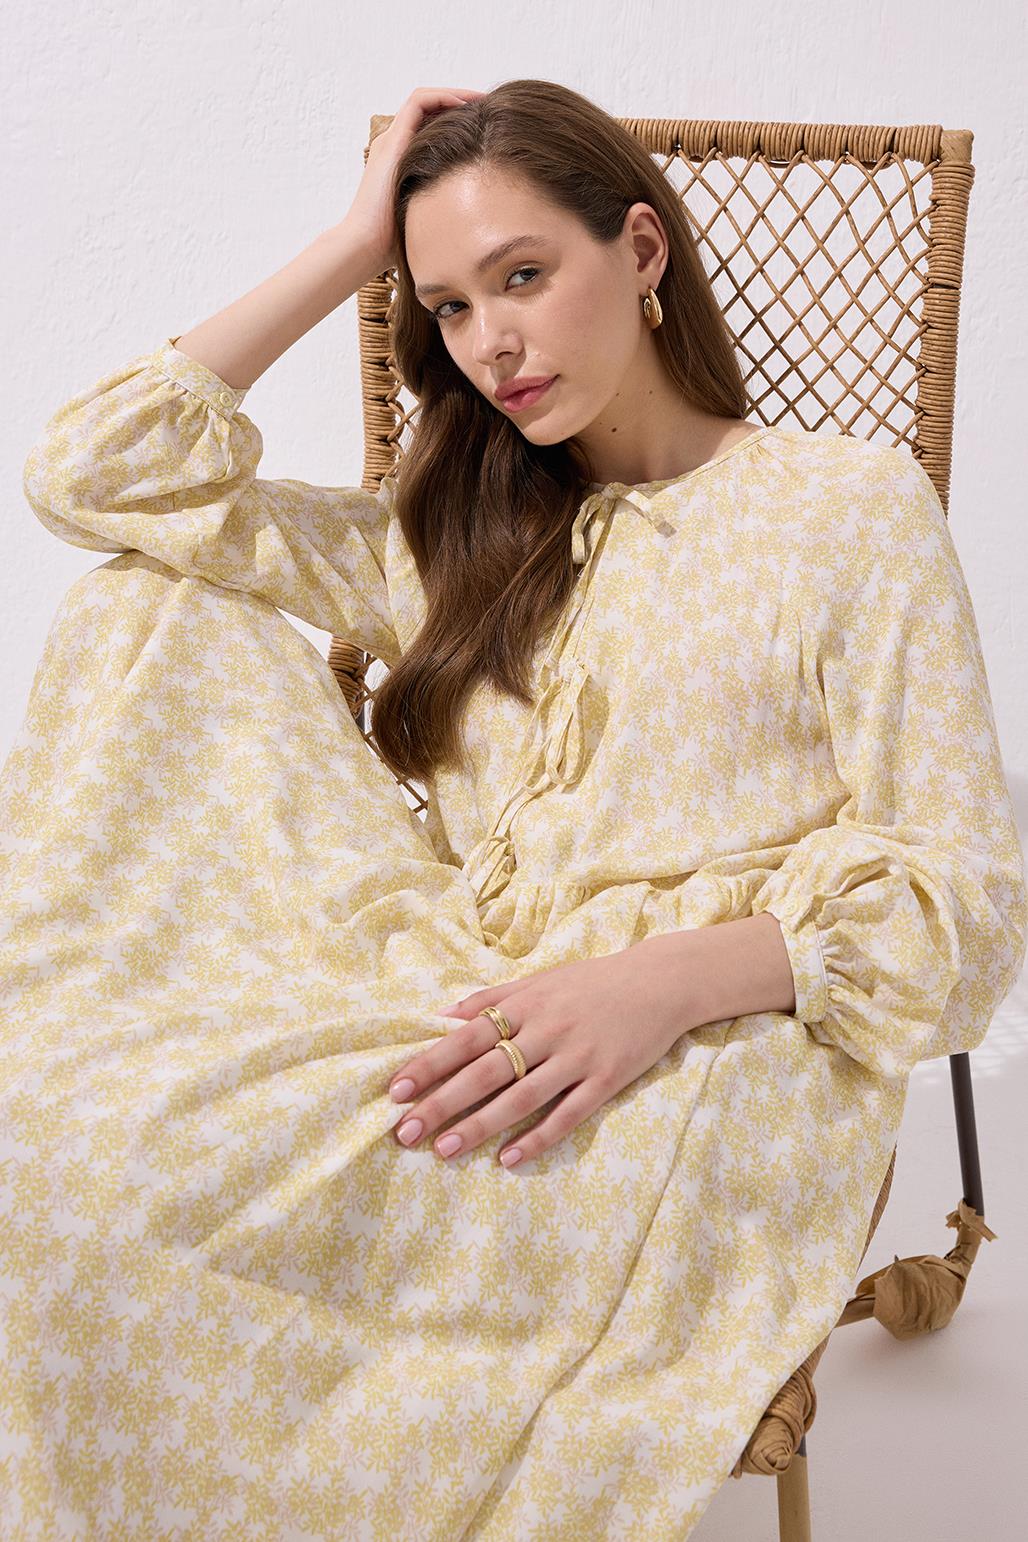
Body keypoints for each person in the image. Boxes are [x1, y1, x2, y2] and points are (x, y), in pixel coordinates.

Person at [3, 76, 1025, 1540]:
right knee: (141, 606)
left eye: (525, 276)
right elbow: (98, 477)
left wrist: (661, 981)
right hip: (450, 982)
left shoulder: (846, 511)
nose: (490, 342)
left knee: (155, 1181)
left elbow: (968, 909)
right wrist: (354, 246)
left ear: (643, 251)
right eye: (450, 307)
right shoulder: (454, 540)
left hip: (703, 1046)